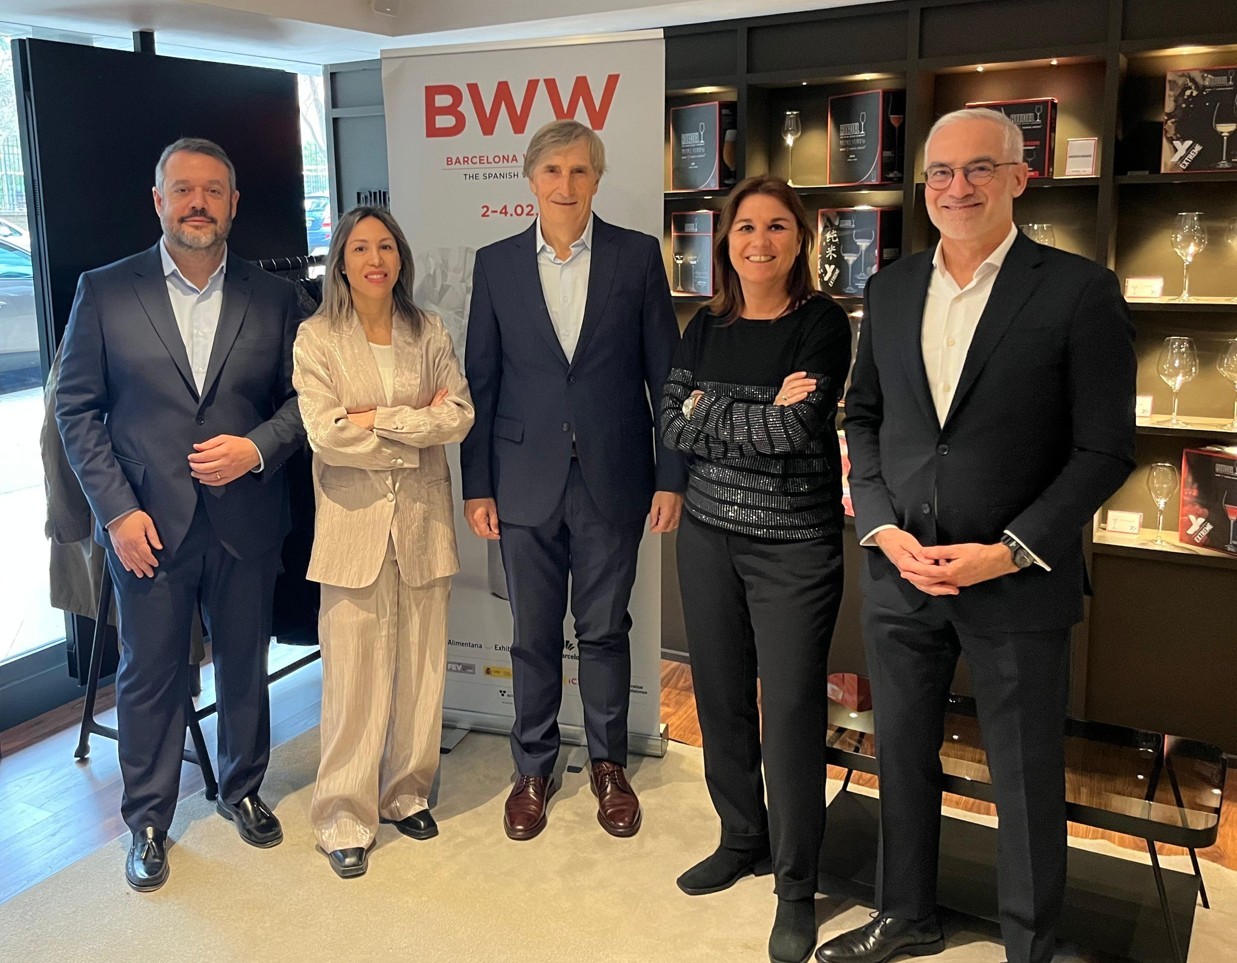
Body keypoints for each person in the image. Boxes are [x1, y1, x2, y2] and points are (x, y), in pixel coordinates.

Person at [815, 108, 1136, 963]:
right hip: (901, 571)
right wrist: (879, 527)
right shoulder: (887, 288)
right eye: (939, 174)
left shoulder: (1077, 289)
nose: (956, 188)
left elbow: (1105, 448)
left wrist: (1010, 548)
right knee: (903, 757)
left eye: (977, 170)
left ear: (1019, 177)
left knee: (1025, 775)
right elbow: (864, 418)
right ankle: (905, 914)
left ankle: (1031, 943)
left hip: (1016, 580)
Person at [55, 137, 305, 891]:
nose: (198, 201)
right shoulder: (104, 290)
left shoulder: (275, 296)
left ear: (233, 203)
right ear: (158, 199)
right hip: (146, 527)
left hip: (246, 518)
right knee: (150, 675)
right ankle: (150, 820)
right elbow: (76, 409)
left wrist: (258, 449)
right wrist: (116, 513)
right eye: (183, 188)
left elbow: (307, 402)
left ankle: (241, 786)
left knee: (242, 666)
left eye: (213, 190)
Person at [460, 119, 686, 841]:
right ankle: (532, 767)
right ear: (529, 179)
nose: (566, 184)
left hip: (615, 477)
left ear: (596, 178)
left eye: (580, 171)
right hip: (521, 480)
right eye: (552, 170)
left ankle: (608, 765)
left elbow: (668, 376)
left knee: (603, 631)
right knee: (530, 634)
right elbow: (481, 381)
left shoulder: (635, 256)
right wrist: (476, 485)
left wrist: (671, 473)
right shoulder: (494, 263)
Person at [659, 175, 851, 963]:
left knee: (795, 712)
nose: (759, 241)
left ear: (798, 240)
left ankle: (796, 887)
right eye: (744, 227)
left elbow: (796, 431)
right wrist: (748, 412)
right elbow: (671, 421)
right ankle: (743, 836)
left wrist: (715, 413)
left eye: (776, 227)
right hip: (706, 539)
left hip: (793, 551)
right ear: (725, 239)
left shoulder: (824, 326)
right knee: (720, 698)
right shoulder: (703, 325)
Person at [292, 206, 474, 878]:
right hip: (351, 528)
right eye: (361, 247)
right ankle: (343, 812)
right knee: (352, 674)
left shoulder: (427, 329)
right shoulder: (317, 338)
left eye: (387, 246)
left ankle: (405, 790)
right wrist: (410, 427)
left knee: (423, 665)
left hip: (423, 525)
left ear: (401, 257)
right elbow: (326, 434)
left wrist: (381, 417)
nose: (376, 258)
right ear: (341, 259)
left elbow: (457, 414)